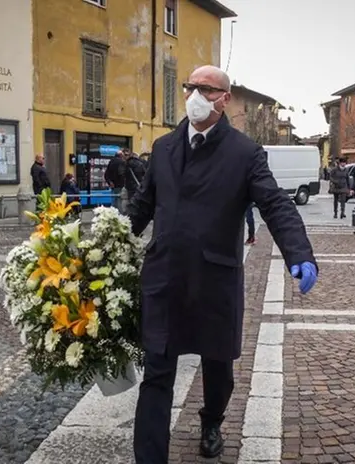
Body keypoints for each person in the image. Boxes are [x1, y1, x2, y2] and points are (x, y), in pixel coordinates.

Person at [125, 65, 319, 464]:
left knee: (219, 370)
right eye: (190, 87)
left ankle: (211, 421)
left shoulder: (245, 152)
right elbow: (142, 207)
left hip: (214, 281)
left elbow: (276, 204)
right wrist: (107, 246)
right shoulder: (163, 147)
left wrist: (298, 253)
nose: (195, 95)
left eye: (206, 89)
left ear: (225, 99)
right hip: (164, 278)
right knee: (156, 374)